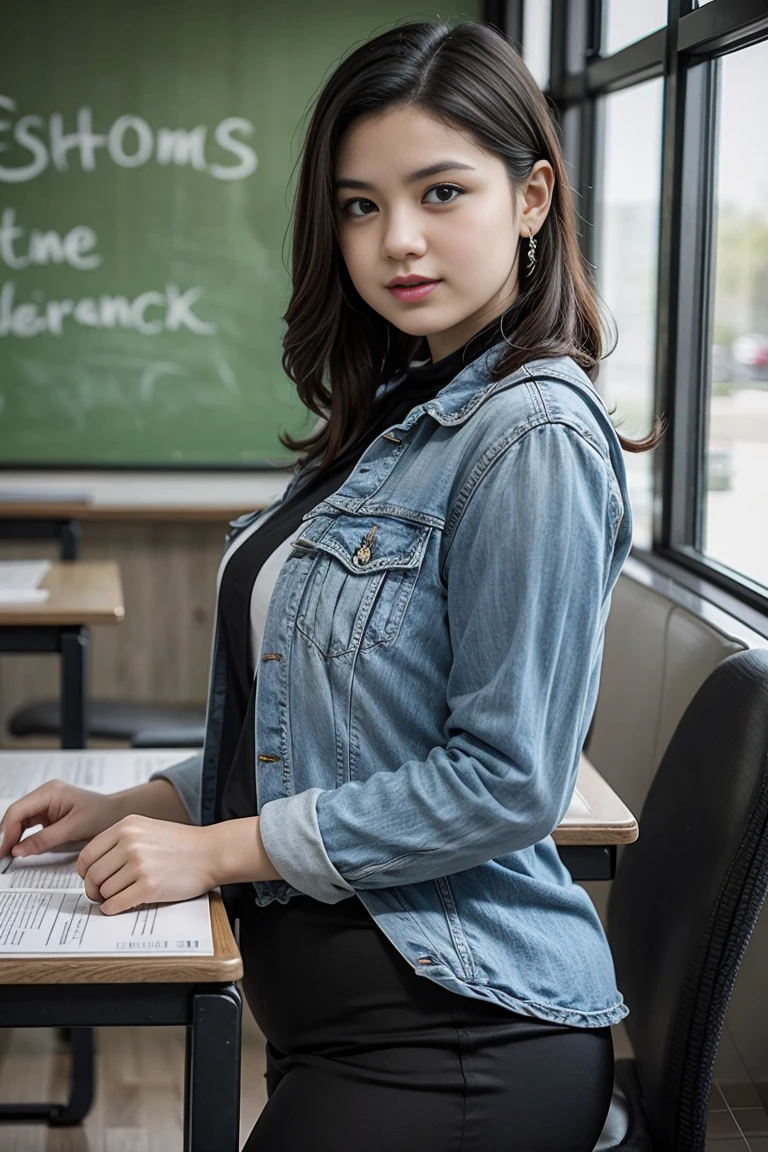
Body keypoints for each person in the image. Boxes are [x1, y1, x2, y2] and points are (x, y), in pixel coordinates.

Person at [0, 20, 663, 1151]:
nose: (396, 240)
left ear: (534, 197)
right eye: (360, 205)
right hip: (355, 1028)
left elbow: (505, 780)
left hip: (461, 1038)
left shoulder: (531, 434)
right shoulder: (402, 413)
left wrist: (213, 849)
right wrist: (150, 802)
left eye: (441, 192)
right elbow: (327, 730)